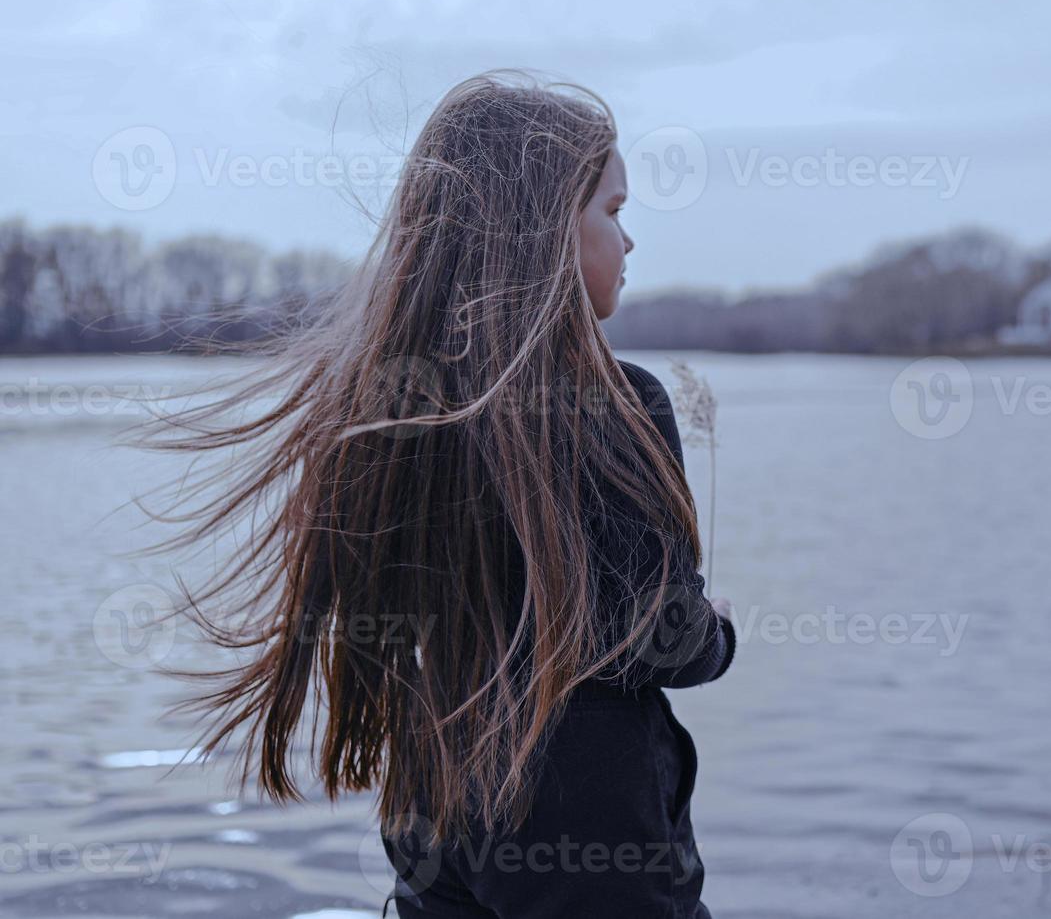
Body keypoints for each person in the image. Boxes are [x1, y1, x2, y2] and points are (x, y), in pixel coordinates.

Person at [129, 69, 736, 918]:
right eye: (614, 212)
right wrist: (719, 636)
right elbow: (654, 639)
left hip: (436, 790)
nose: (628, 244)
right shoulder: (619, 401)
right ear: (542, 231)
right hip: (591, 810)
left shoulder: (386, 403)